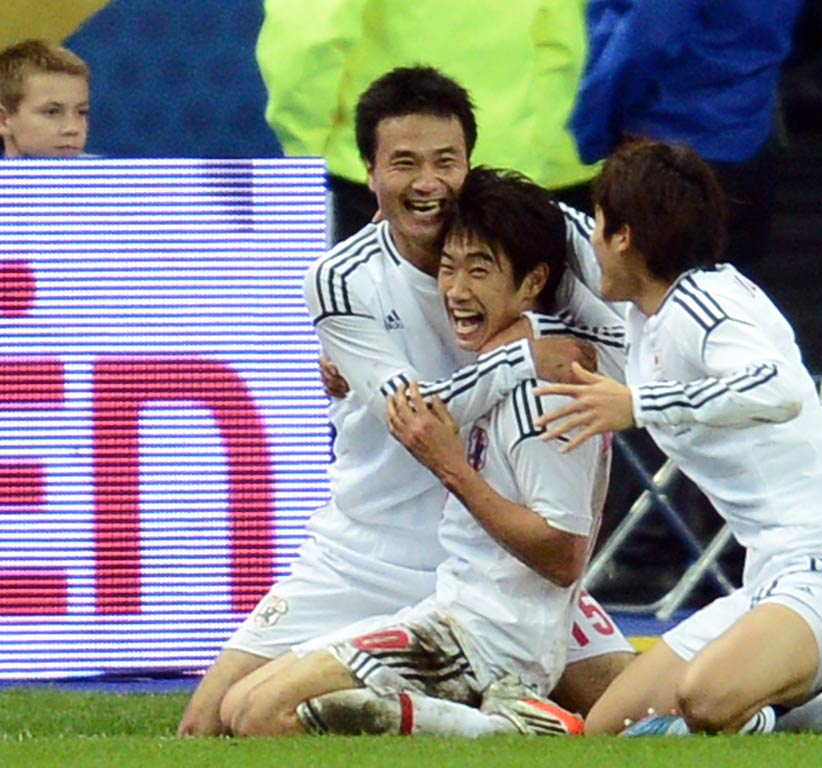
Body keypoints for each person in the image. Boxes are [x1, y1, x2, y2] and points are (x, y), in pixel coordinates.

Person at [177, 66, 634, 738]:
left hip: (497, 561)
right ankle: (494, 719)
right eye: (405, 164)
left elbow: (625, 340)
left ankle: (806, 710)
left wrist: (568, 348)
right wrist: (525, 352)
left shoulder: (542, 234)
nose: (427, 184)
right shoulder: (341, 279)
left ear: (469, 163)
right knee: (208, 727)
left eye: (446, 162)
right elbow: (416, 420)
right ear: (369, 173)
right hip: (368, 552)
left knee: (646, 710)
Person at [535, 139, 822, 737]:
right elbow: (555, 224)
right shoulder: (648, 311)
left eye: (603, 227)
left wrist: (639, 405)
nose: (594, 243)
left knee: (704, 700)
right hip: (767, 580)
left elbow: (778, 387)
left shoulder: (707, 303)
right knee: (610, 728)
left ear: (625, 237)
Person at [255, 0, 598, 242]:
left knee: (379, 337)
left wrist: (308, 145)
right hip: (528, 171)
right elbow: (564, 39)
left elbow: (309, 33)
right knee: (511, 338)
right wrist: (542, 145)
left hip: (382, 171)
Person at [569, 0, 804, 275]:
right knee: (725, 295)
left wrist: (593, 127)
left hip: (667, 157)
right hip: (747, 144)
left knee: (653, 293)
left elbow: (648, 40)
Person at [0, 38, 89, 158]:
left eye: (81, 112)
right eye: (52, 112)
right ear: (3, 120)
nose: (72, 129)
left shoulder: (109, 174)